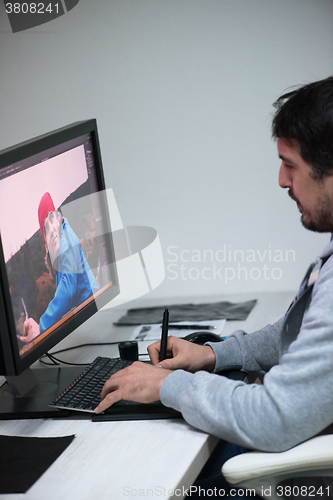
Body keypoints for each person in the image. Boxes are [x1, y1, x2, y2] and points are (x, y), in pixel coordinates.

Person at [94, 77, 333, 497]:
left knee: (141, 483)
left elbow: (273, 419)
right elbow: (301, 335)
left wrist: (166, 385)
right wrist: (213, 354)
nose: (280, 180)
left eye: (289, 164)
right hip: (305, 434)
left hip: (299, 459)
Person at [19, 192, 99, 343]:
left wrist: (42, 328)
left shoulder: (66, 242)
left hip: (93, 316)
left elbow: (67, 291)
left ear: (59, 218)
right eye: (46, 229)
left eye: (51, 220)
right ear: (46, 245)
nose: (52, 231)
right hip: (88, 317)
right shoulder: (60, 249)